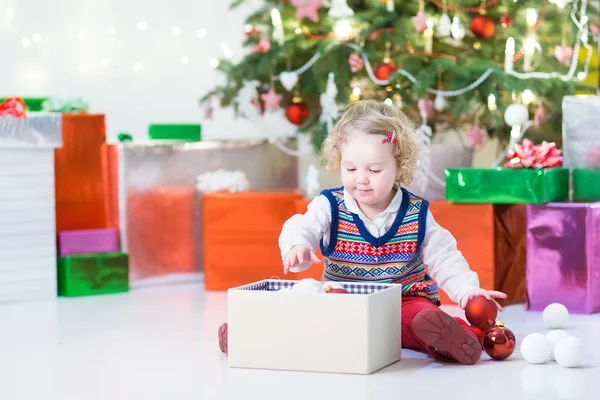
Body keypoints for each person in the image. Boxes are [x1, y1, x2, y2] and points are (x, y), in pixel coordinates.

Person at [277, 100, 507, 365]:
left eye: (374, 170)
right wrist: (298, 244)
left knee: (417, 320)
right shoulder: (330, 206)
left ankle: (453, 338)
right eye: (350, 168)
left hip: (403, 301)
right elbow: (302, 225)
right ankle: (249, 332)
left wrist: (468, 291)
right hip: (345, 301)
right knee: (310, 311)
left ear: (400, 167)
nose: (361, 178)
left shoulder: (415, 213)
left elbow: (444, 256)